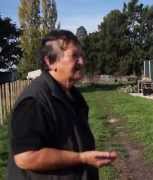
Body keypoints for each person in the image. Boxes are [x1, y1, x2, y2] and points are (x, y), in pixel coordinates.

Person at [7, 30, 117, 180]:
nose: (82, 62)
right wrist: (81, 158)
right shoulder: (34, 101)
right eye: (74, 56)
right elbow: (26, 157)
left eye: (82, 56)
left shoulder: (73, 95)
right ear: (50, 62)